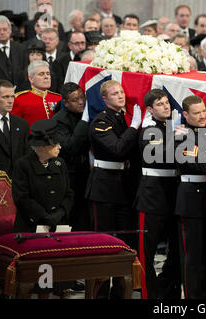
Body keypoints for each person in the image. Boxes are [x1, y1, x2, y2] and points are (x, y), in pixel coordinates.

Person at [85, 80, 142, 298]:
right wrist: (134, 127)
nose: (120, 96)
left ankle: (121, 292)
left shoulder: (122, 119)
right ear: (104, 99)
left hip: (123, 186)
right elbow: (117, 149)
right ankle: (100, 294)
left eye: (121, 92)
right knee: (103, 242)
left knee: (124, 245)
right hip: (104, 187)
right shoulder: (101, 122)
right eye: (114, 93)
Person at [136, 89, 181, 299]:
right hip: (152, 194)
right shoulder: (148, 129)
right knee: (147, 250)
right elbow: (157, 156)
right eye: (160, 104)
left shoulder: (170, 127)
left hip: (172, 192)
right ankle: (149, 293)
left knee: (176, 248)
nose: (166, 106)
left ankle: (167, 288)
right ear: (150, 110)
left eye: (166, 103)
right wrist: (177, 139)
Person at [174, 95, 206, 299]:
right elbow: (196, 165)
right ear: (185, 114)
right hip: (191, 199)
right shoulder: (180, 136)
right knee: (192, 255)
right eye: (196, 113)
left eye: (204, 112)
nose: (202, 116)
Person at [12, 118, 73, 233]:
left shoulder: (60, 163)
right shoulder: (23, 165)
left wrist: (61, 213)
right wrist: (44, 216)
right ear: (43, 147)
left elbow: (69, 193)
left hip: (59, 225)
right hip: (31, 226)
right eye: (56, 144)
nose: (60, 147)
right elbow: (22, 198)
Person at [53, 83, 90, 231]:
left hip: (85, 172)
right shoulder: (59, 120)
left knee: (84, 214)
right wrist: (84, 121)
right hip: (69, 174)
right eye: (75, 100)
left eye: (82, 97)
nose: (81, 101)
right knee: (72, 212)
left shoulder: (87, 113)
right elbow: (70, 146)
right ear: (66, 103)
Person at [11, 60, 62, 129]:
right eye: (41, 74)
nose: (46, 77)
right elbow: (15, 126)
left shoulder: (58, 98)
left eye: (48, 73)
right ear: (31, 79)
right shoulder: (19, 99)